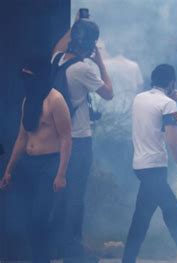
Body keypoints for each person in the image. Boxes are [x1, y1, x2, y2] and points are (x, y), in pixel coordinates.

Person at [50, 16, 113, 262]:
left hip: (56, 140)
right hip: (78, 140)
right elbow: (108, 93)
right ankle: (73, 251)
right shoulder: (84, 69)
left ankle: (62, 247)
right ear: (91, 44)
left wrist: (74, 25)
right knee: (75, 198)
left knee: (60, 196)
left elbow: (56, 47)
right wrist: (100, 62)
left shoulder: (57, 60)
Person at [0, 56, 72, 262]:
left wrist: (61, 174)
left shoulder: (55, 100)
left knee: (39, 217)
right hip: (28, 164)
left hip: (48, 165)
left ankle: (43, 258)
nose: (26, 81)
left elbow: (66, 138)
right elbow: (22, 138)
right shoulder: (29, 100)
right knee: (25, 217)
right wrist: (9, 170)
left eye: (29, 76)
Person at [122, 64, 177, 263]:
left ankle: (128, 260)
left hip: (140, 165)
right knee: (171, 211)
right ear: (172, 83)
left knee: (142, 218)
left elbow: (152, 119)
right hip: (155, 166)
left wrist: (170, 100)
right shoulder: (167, 104)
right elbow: (171, 140)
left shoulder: (139, 99)